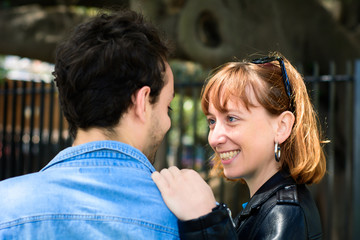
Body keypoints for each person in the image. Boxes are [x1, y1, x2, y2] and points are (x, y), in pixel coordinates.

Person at [0, 10, 179, 239]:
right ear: (142, 102)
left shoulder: (5, 207)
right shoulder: (188, 218)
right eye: (167, 107)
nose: (167, 122)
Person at [152, 53, 326, 239]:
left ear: (282, 127)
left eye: (232, 118)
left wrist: (205, 219)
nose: (214, 138)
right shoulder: (271, 205)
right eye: (211, 121)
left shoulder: (284, 213)